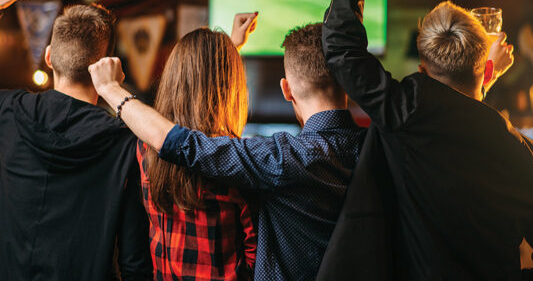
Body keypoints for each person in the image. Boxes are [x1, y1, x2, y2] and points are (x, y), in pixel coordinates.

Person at [317, 0, 533, 280]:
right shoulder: (518, 151)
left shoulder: (404, 111)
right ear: (487, 70)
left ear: (422, 70)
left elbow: (343, 49)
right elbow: (465, 117)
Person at [88, 22, 367, 281]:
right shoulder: (369, 147)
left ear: (287, 89)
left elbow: (177, 141)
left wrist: (110, 88)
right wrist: (224, 59)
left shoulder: (144, 150)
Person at [0, 0, 152, 281]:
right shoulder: (125, 143)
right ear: (107, 66)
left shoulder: (7, 111)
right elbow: (135, 261)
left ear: (48, 57)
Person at [136, 25, 257, 280]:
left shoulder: (145, 147)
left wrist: (226, 50)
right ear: (230, 85)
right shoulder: (234, 156)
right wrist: (225, 58)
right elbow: (255, 253)